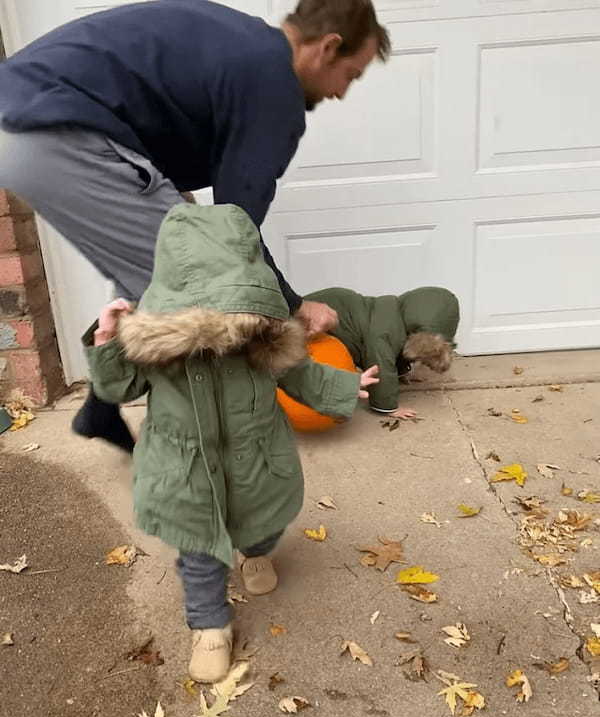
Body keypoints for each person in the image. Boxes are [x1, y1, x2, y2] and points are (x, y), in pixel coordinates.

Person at [0, 0, 390, 451]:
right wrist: (296, 306)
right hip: (52, 128)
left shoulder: (243, 47)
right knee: (196, 288)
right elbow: (233, 233)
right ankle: (188, 453)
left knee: (166, 257)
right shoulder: (272, 81)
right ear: (328, 47)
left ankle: (101, 409)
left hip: (30, 121)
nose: (342, 93)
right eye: (351, 75)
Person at [84, 202, 379, 682]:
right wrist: (108, 344)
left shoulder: (263, 338)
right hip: (186, 468)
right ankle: (210, 626)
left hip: (255, 457)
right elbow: (118, 389)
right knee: (199, 550)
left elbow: (299, 375)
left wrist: (344, 387)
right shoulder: (156, 342)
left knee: (263, 522)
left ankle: (256, 551)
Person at [306, 286, 459, 417]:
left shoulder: (395, 318)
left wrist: (402, 372)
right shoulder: (384, 332)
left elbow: (399, 348)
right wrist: (389, 407)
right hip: (322, 319)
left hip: (335, 307)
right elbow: (380, 365)